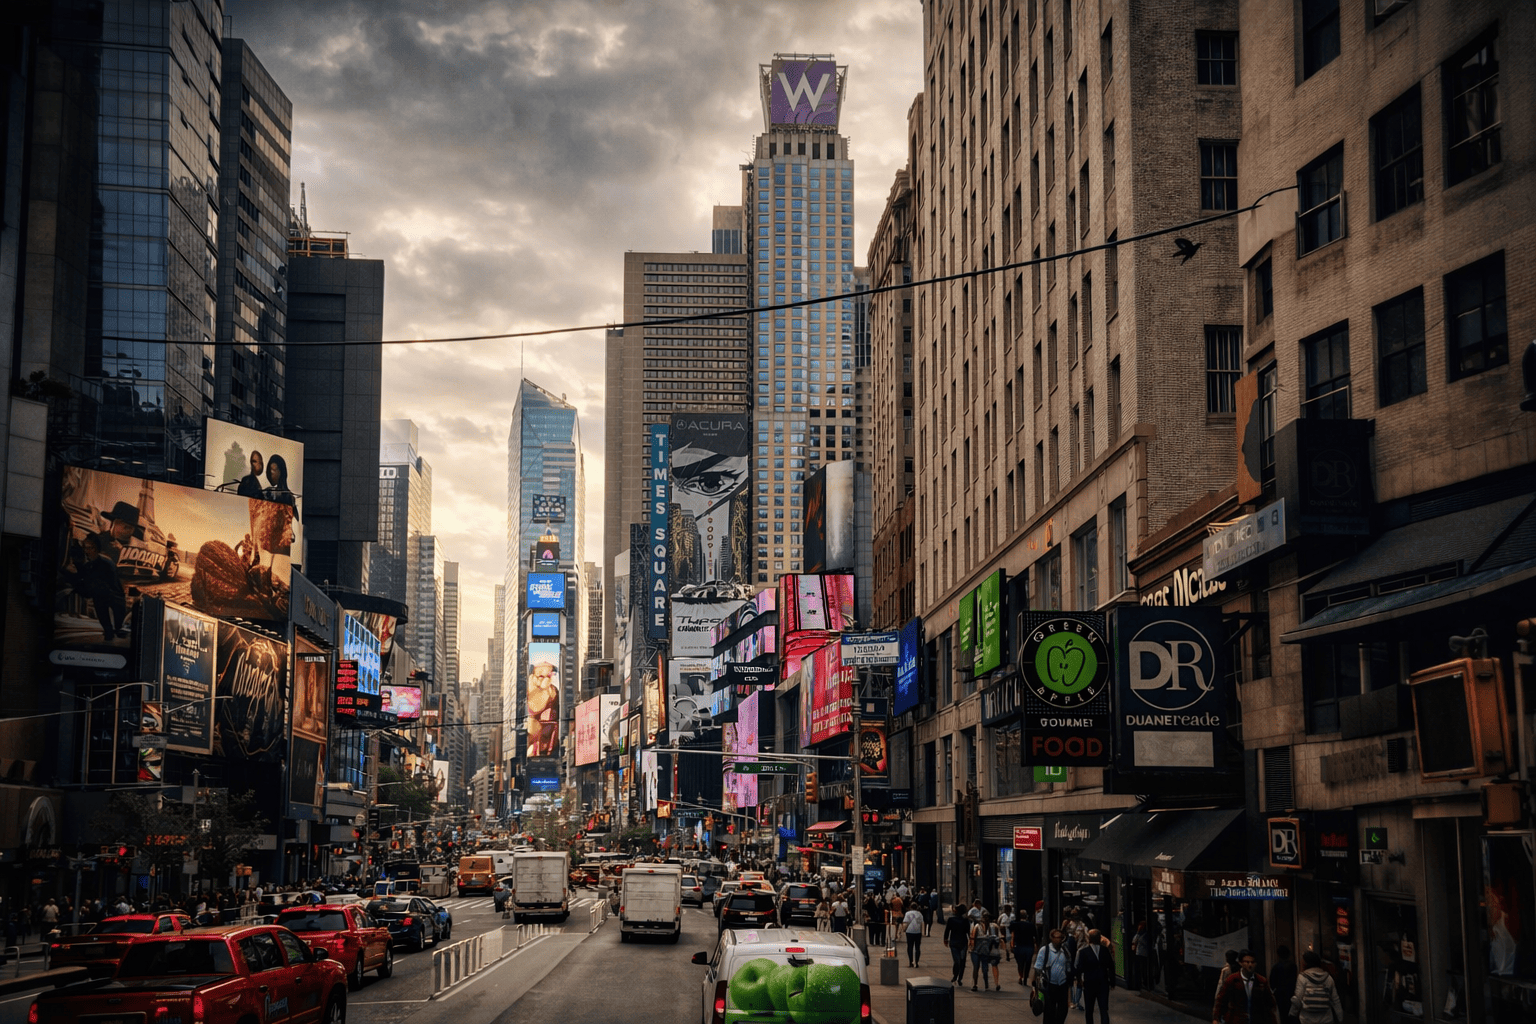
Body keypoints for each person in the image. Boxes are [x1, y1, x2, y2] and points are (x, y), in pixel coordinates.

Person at [64, 534, 128, 641]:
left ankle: (113, 634)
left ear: (96, 548)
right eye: (85, 547)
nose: (87, 551)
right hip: (102, 597)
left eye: (90, 548)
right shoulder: (89, 565)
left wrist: (75, 576)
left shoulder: (105, 564)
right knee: (108, 627)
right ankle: (110, 635)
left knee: (118, 629)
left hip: (113, 597)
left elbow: (90, 588)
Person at [1213, 949, 1280, 1024]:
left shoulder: (1261, 981)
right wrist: (1216, 1018)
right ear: (1241, 963)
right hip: (1236, 1020)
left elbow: (1270, 1003)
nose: (1250, 965)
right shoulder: (1232, 980)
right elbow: (1221, 1000)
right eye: (1247, 962)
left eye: (1252, 962)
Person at [1031, 928, 1075, 1024]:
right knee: (1049, 1011)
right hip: (1049, 985)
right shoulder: (1045, 950)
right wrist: (1035, 987)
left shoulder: (1065, 951)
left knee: (1063, 1010)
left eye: (1061, 937)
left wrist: (1069, 981)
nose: (1060, 939)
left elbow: (1068, 966)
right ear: (1052, 938)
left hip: (1062, 984)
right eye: (1057, 937)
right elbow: (1038, 968)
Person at [1290, 950, 1343, 1024]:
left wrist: (1293, 1013)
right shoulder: (1328, 978)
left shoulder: (1302, 977)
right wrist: (1340, 1017)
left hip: (1307, 1019)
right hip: (1326, 1019)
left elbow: (1298, 998)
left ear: (1306, 963)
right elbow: (1335, 1000)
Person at [1075, 928, 1115, 1024]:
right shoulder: (1105, 950)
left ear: (1089, 939)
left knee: (1089, 1009)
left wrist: (1079, 980)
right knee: (1103, 1009)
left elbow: (1079, 967)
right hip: (1103, 982)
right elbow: (1111, 966)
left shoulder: (1084, 952)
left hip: (1089, 983)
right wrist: (1112, 981)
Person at [969, 911, 1001, 991]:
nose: (986, 919)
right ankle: (975, 984)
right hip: (976, 950)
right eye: (984, 917)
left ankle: (986, 985)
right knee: (976, 967)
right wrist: (971, 947)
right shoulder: (977, 926)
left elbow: (996, 938)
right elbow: (973, 937)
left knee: (985, 969)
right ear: (982, 918)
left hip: (986, 952)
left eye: (987, 917)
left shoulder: (992, 927)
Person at [1270, 945, 1298, 1024]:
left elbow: (1272, 981)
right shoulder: (1293, 965)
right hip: (1290, 992)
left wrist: (1275, 990)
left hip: (1280, 993)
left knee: (1282, 1015)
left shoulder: (1276, 967)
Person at [943, 906, 971, 985]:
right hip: (963, 942)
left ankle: (956, 976)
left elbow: (947, 930)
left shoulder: (951, 920)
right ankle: (959, 977)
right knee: (962, 961)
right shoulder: (965, 920)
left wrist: (945, 939)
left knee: (957, 961)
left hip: (954, 942)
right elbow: (968, 932)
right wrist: (971, 941)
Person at [1012, 902, 1038, 985]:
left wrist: (1012, 944)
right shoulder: (1031, 925)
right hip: (1029, 946)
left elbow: (1013, 935)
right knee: (1028, 962)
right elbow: (1035, 936)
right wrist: (1036, 946)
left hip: (1019, 946)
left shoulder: (1016, 924)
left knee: (1020, 963)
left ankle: (1021, 976)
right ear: (1026, 916)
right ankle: (1026, 977)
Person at [903, 903, 925, 968]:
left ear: (910, 907)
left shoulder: (907, 913)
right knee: (917, 947)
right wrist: (921, 932)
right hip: (917, 932)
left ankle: (911, 962)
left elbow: (906, 922)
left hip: (909, 931)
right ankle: (917, 962)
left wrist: (904, 929)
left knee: (910, 947)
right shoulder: (920, 914)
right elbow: (921, 923)